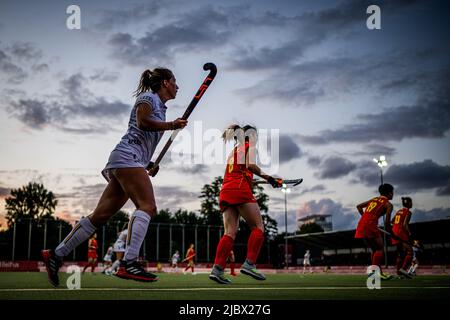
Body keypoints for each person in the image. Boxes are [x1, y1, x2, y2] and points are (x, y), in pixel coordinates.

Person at [42, 67, 187, 286]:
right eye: (175, 81)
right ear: (165, 82)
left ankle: (56, 254)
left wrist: (148, 163)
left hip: (129, 159)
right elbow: (142, 122)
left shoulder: (161, 107)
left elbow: (141, 136)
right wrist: (171, 126)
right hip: (127, 157)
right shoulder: (148, 97)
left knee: (99, 217)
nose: (178, 86)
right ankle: (129, 263)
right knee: (147, 206)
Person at [209, 124, 283, 284]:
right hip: (239, 189)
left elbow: (239, 172)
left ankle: (217, 269)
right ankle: (249, 264)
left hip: (226, 191)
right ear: (252, 136)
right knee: (258, 227)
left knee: (229, 233)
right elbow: (250, 166)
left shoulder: (234, 151)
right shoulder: (249, 146)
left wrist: (252, 180)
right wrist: (269, 178)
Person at [355, 183, 394, 280]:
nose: (393, 194)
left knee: (374, 249)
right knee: (380, 248)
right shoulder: (388, 204)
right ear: (389, 193)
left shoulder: (374, 199)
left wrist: (365, 218)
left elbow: (358, 206)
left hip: (362, 223)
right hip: (371, 224)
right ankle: (375, 273)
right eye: (392, 192)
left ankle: (377, 273)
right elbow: (387, 223)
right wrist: (393, 234)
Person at [391, 197, 413, 279]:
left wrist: (395, 228)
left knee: (400, 254)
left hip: (394, 232)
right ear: (409, 203)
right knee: (410, 252)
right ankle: (403, 270)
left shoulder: (398, 211)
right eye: (411, 202)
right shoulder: (408, 212)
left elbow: (392, 221)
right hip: (401, 233)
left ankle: (398, 273)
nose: (412, 204)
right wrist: (409, 234)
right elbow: (405, 225)